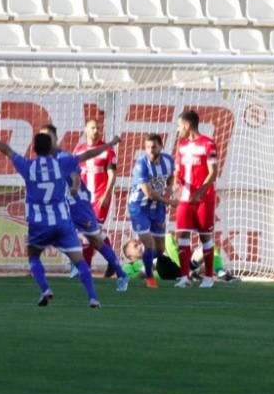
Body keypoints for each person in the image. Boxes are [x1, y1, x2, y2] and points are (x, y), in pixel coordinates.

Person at [0, 128, 121, 307]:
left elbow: (7, 150)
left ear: (33, 149)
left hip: (39, 223)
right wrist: (110, 143)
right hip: (62, 221)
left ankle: (45, 289)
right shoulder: (62, 164)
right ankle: (93, 298)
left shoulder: (28, 166)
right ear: (51, 148)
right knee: (79, 261)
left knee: (34, 256)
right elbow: (89, 154)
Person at [40, 124, 129, 289]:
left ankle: (121, 274)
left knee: (97, 240)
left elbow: (76, 174)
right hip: (64, 206)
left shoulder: (64, 157)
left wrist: (74, 186)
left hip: (78, 205)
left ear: (54, 139)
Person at [173, 110, 219, 289]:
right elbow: (178, 171)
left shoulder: (208, 144)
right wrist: (176, 179)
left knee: (205, 236)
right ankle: (184, 277)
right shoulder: (182, 146)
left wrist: (200, 192)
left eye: (179, 126)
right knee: (182, 235)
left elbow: (213, 172)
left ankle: (208, 277)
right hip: (185, 198)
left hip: (204, 199)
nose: (178, 130)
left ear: (187, 124)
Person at [127, 133, 176, 289]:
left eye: (153, 147)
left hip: (157, 208)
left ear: (161, 146)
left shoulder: (168, 161)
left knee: (160, 250)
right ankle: (149, 277)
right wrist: (169, 201)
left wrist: (169, 188)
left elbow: (171, 177)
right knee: (148, 243)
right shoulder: (141, 165)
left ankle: (143, 266)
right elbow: (148, 193)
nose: (150, 150)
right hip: (139, 207)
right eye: (147, 147)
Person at [72, 117, 118, 273]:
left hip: (100, 197)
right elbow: (74, 174)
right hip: (84, 199)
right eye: (93, 127)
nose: (96, 131)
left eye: (99, 128)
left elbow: (112, 175)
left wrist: (107, 194)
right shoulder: (78, 150)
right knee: (93, 233)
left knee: (91, 231)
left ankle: (85, 268)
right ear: (86, 129)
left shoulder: (108, 151)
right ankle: (112, 260)